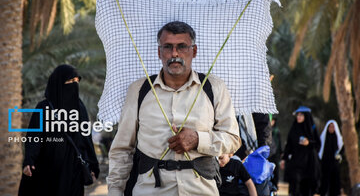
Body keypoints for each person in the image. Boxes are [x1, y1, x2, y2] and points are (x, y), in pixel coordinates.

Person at [107, 21, 241, 195]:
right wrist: (115, 190)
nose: (174, 53)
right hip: (150, 190)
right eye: (168, 47)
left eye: (182, 47)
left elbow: (233, 139)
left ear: (194, 51)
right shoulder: (139, 90)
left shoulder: (214, 87)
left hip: (201, 190)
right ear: (159, 52)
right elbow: (122, 148)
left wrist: (198, 139)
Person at [18, 64, 99, 196]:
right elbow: (33, 136)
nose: (74, 85)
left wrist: (92, 165)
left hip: (73, 169)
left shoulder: (80, 108)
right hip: (46, 168)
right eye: (70, 81)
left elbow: (86, 138)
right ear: (59, 84)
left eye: (76, 81)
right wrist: (29, 160)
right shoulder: (43, 107)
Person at [280, 106, 321, 196]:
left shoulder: (312, 129)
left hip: (309, 164)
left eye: (301, 115)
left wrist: (308, 143)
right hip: (296, 162)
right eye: (297, 115)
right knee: (295, 185)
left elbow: (318, 144)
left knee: (306, 188)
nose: (298, 117)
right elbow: (289, 145)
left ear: (306, 116)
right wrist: (284, 158)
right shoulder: (294, 128)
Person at [318, 120, 343, 196]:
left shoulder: (338, 139)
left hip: (334, 165)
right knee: (324, 183)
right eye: (330, 126)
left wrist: (339, 156)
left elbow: (342, 149)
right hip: (325, 164)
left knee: (334, 184)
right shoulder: (323, 138)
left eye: (333, 127)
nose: (331, 128)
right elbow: (319, 149)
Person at [268, 114, 282, 189]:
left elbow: (279, 143)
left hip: (275, 155)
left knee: (275, 171)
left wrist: (280, 153)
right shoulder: (266, 130)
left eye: (273, 120)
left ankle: (275, 185)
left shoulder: (276, 131)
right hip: (268, 154)